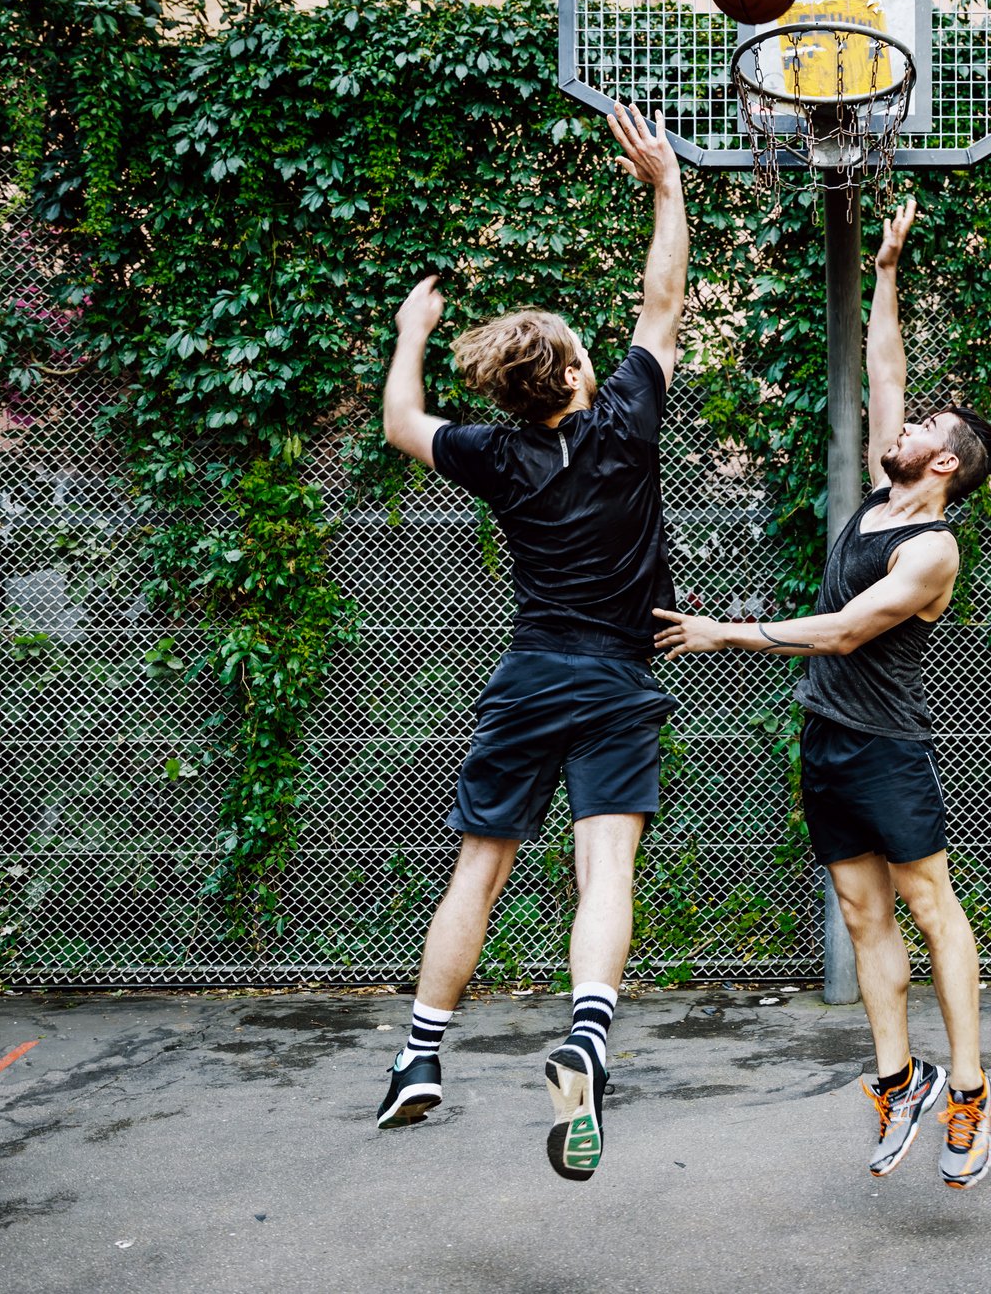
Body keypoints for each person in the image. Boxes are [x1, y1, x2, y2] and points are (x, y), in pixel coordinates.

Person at [651, 197, 991, 1189]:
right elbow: (886, 370)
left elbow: (850, 631)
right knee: (861, 916)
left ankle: (972, 1091)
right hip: (827, 738)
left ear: (944, 463)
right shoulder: (879, 494)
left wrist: (725, 630)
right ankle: (899, 1078)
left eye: (924, 427)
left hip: (890, 747)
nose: (900, 423)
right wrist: (888, 270)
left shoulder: (932, 549)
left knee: (930, 907)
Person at [375, 103, 687, 1183]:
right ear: (577, 377)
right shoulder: (626, 425)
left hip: (528, 676)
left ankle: (420, 1059)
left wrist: (412, 336)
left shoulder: (493, 456)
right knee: (605, 864)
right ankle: (587, 1037)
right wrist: (663, 181)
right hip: (615, 677)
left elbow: (401, 427)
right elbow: (663, 301)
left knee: (480, 867)